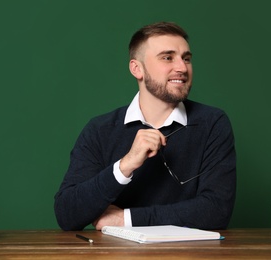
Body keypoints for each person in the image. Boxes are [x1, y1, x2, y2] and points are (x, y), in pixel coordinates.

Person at [54, 21, 236, 231]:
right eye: (168, 58)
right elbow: (66, 214)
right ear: (137, 69)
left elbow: (217, 210)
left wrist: (127, 219)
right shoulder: (100, 130)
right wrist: (125, 165)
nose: (182, 68)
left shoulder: (212, 123)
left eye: (186, 58)